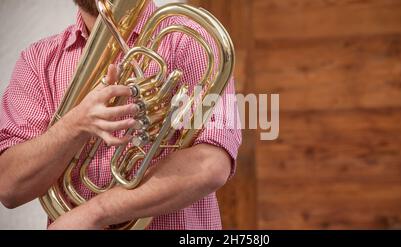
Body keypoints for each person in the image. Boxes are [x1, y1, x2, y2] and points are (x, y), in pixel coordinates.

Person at [0, 0, 241, 230]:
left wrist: (96, 212)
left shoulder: (190, 39)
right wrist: (74, 125)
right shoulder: (37, 60)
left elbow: (211, 162)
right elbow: (9, 186)